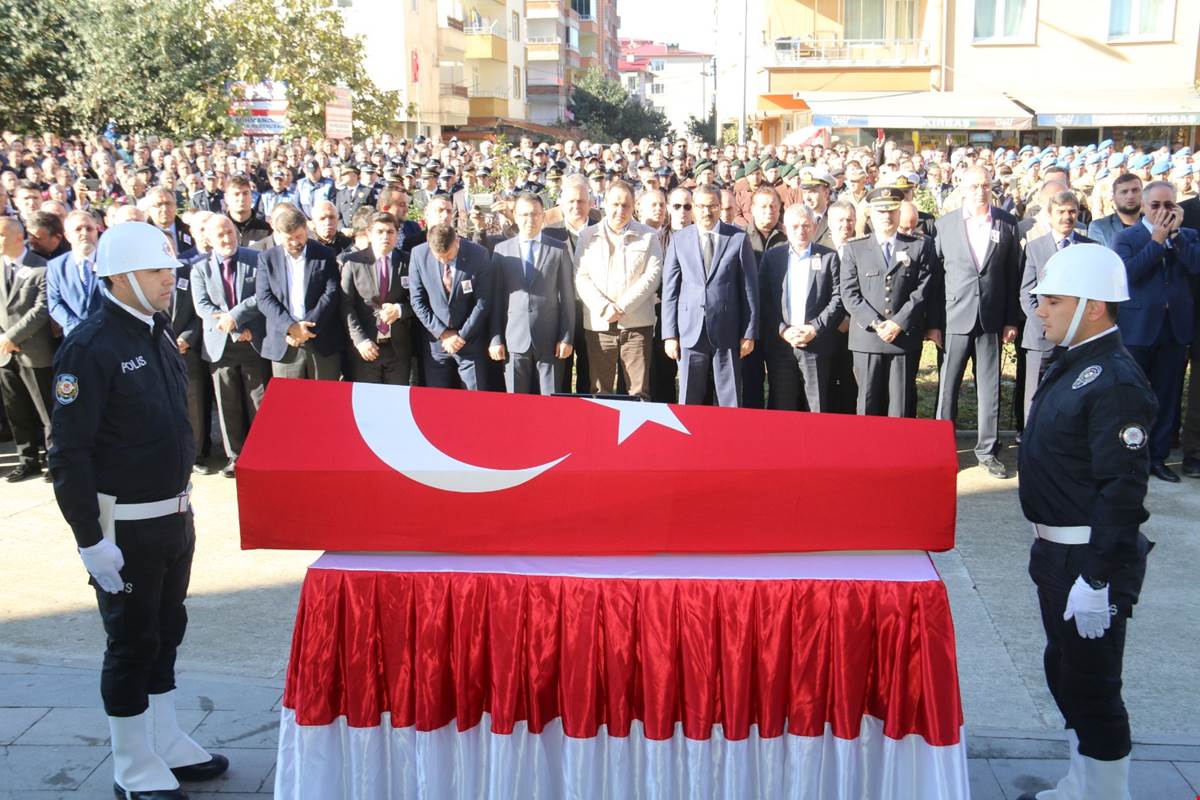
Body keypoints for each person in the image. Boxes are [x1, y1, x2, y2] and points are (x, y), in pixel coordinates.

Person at [48, 222, 229, 800]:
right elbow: (69, 453)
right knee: (130, 641)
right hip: (123, 526)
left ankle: (165, 738)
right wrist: (89, 539)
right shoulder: (91, 344)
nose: (167, 283)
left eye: (169, 272)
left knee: (166, 630)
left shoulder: (155, 330)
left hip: (173, 517)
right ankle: (131, 761)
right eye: (156, 273)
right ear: (120, 276)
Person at [1016, 243, 1155, 800]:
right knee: (1066, 672)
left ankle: (1105, 792)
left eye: (1052, 301)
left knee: (1094, 685)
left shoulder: (1114, 380)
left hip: (1087, 558)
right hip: (1058, 553)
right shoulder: (1076, 363)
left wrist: (1097, 579)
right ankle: (1082, 781)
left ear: (1093, 307)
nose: (1040, 311)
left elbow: (1123, 491)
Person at [932, 165, 1021, 478]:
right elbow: (935, 277)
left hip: (992, 318)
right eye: (973, 186)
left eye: (985, 185)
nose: (980, 191)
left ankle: (988, 450)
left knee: (989, 388)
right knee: (947, 388)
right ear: (961, 187)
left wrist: (1012, 319)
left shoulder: (1008, 224)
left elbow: (1014, 276)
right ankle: (942, 450)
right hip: (954, 316)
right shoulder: (944, 225)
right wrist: (933, 323)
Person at [1112, 180, 1200, 482]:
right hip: (1138, 329)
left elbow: (1196, 265)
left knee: (1167, 396)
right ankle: (1127, 456)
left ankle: (1158, 458)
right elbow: (1128, 273)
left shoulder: (1187, 236)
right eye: (1156, 205)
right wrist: (1156, 242)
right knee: (1132, 397)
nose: (1163, 211)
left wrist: (1174, 237)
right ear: (1144, 207)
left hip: (1174, 329)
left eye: (1169, 205)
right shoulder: (1128, 237)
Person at [840, 187, 936, 417]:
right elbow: (849, 293)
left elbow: (923, 289)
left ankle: (900, 453)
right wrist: (876, 323)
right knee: (867, 403)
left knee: (900, 406)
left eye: (892, 210)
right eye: (881, 211)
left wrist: (898, 323)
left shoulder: (918, 246)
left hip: (903, 338)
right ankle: (866, 452)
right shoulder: (855, 248)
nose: (887, 216)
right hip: (868, 339)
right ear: (870, 213)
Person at [662, 184, 759, 407]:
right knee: (689, 397)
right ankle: (689, 441)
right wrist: (670, 335)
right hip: (689, 331)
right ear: (694, 208)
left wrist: (749, 332)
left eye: (713, 206)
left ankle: (729, 441)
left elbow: (749, 289)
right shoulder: (680, 239)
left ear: (720, 208)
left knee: (730, 397)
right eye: (702, 206)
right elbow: (670, 291)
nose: (707, 212)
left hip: (727, 331)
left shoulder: (737, 238)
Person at [191, 215, 268, 478]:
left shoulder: (255, 259)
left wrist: (235, 316)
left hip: (253, 341)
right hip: (221, 345)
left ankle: (261, 454)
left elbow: (262, 296)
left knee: (257, 400)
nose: (227, 239)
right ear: (209, 240)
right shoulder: (199, 269)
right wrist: (234, 327)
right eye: (220, 235)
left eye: (230, 232)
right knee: (228, 404)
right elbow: (203, 307)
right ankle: (236, 457)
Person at [574, 180, 663, 398]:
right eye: (615, 204)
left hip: (636, 324)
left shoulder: (649, 235)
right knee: (599, 390)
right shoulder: (587, 236)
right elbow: (581, 276)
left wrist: (622, 306)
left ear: (634, 207)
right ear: (604, 204)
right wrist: (604, 307)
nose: (620, 211)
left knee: (638, 390)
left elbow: (652, 275)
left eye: (626, 205)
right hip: (599, 324)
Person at [759, 204, 844, 412]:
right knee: (783, 404)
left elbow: (838, 298)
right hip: (782, 345)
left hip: (816, 343)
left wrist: (814, 328)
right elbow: (763, 299)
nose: (801, 231)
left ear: (814, 228)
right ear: (785, 228)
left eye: (806, 226)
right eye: (795, 226)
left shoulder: (828, 257)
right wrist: (783, 330)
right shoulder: (772, 257)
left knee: (816, 405)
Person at [488, 193, 576, 394]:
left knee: (550, 405)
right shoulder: (501, 251)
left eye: (535, 214)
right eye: (525, 214)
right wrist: (495, 339)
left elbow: (567, 299)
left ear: (543, 215)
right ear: (515, 216)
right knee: (516, 407)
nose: (530, 220)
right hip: (514, 340)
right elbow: (495, 300)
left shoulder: (558, 249)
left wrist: (566, 337)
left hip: (549, 341)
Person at [1018, 191, 1094, 418]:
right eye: (1061, 212)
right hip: (1041, 338)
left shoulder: (1089, 247)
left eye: (1072, 211)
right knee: (1035, 397)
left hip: (1077, 338)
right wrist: (1047, 326)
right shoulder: (1034, 248)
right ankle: (1031, 446)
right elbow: (1026, 294)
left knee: (1074, 396)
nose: (1067, 217)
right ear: (1049, 216)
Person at [255, 204, 343, 380]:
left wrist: (305, 328)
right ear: (278, 235)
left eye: (299, 236)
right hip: (285, 343)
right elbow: (264, 298)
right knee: (289, 404)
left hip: (321, 339)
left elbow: (331, 292)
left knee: (324, 401)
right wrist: (291, 328)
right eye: (289, 239)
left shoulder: (324, 253)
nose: (295, 243)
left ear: (306, 230)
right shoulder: (267, 258)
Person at [408, 222, 493, 389]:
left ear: (457, 241)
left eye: (448, 255)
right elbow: (417, 300)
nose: (444, 260)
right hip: (437, 345)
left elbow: (483, 302)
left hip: (469, 342)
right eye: (438, 257)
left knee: (474, 403)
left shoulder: (478, 254)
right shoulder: (418, 254)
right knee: (439, 405)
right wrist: (443, 333)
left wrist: (461, 336)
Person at [0, 217, 53, 482]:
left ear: (18, 237)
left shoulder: (40, 268)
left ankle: (55, 460)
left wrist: (11, 336)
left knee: (46, 410)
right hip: (4, 353)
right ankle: (27, 459)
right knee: (16, 409)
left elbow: (42, 309)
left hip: (34, 350)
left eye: (1, 235)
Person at [340, 212, 413, 385]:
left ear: (397, 234)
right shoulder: (353, 262)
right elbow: (345, 305)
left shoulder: (409, 262)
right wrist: (360, 340)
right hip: (366, 348)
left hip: (398, 349)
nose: (385, 236)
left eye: (390, 232)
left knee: (395, 405)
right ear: (369, 234)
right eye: (379, 232)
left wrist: (400, 310)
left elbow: (419, 300)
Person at [46, 210, 103, 336]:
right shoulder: (56, 267)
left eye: (89, 229)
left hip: (111, 333)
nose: (84, 233)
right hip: (76, 338)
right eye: (78, 229)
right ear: (67, 236)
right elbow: (55, 303)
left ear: (96, 231)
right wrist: (79, 328)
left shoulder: (110, 261)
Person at [1087, 173, 1142, 249]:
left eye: (1135, 190)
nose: (1130, 196)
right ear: (1114, 197)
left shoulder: (1154, 224)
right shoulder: (1099, 227)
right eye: (1124, 192)